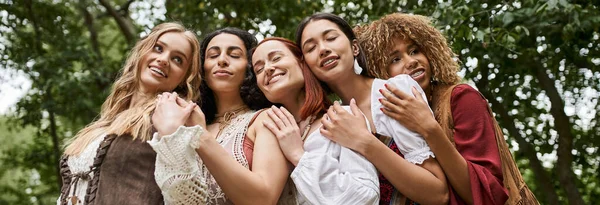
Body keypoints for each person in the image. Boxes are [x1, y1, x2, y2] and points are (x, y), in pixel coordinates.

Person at [353, 13, 513, 204]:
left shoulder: (461, 98)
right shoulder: (386, 121)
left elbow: (486, 195)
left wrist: (428, 127)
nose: (410, 61)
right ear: (378, 72)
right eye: (395, 59)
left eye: (414, 51)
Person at [295, 13, 449, 204]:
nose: (323, 49)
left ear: (354, 47)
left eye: (331, 38)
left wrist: (365, 142)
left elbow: (438, 194)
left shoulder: (394, 91)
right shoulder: (331, 122)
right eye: (311, 48)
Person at [58, 22, 202, 205]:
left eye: (177, 59)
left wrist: (172, 134)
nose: (164, 59)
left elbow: (189, 200)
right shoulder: (106, 121)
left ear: (184, 78)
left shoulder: (173, 118)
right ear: (142, 52)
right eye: (158, 48)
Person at [149, 28, 290, 204]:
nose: (222, 60)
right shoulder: (188, 128)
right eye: (213, 55)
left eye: (235, 55)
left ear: (250, 66)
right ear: (203, 68)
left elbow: (263, 199)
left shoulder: (267, 119)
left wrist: (201, 136)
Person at [251, 37, 379, 204]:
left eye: (276, 58)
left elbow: (365, 197)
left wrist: (298, 155)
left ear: (302, 63)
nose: (268, 68)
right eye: (259, 69)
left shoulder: (341, 118)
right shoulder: (263, 136)